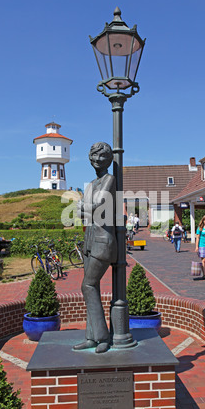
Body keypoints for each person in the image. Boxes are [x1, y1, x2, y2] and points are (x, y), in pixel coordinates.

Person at [74, 142, 117, 353]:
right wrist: (85, 208)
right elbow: (81, 211)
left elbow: (98, 206)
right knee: (92, 288)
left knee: (87, 286)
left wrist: (85, 207)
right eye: (94, 156)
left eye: (102, 156)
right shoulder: (91, 184)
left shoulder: (110, 179)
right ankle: (91, 337)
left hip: (103, 242)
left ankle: (103, 338)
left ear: (108, 159)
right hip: (89, 242)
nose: (97, 160)